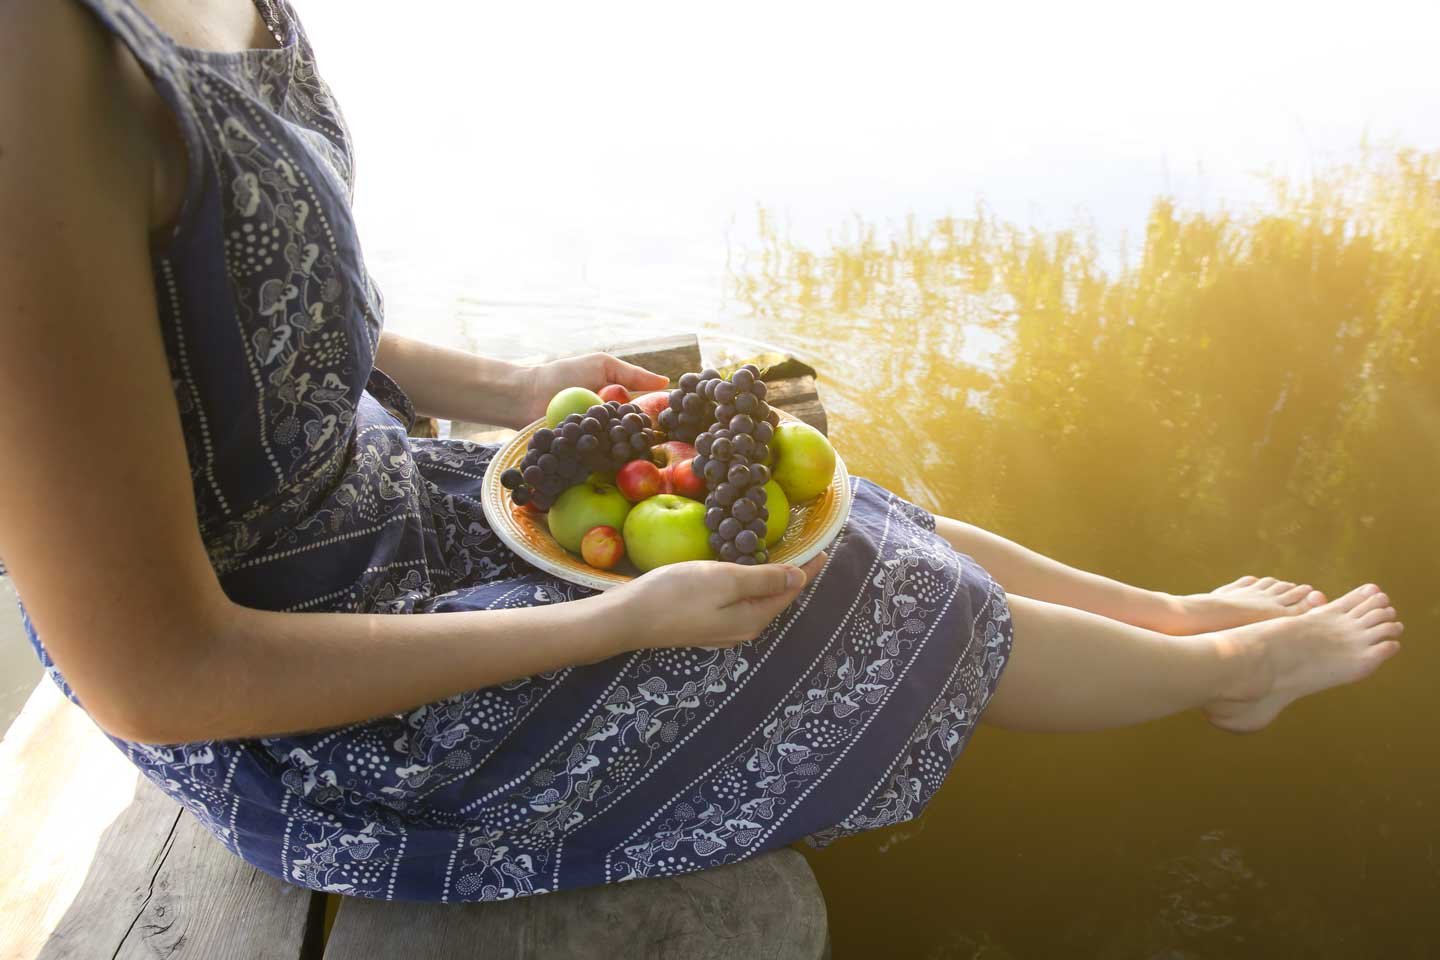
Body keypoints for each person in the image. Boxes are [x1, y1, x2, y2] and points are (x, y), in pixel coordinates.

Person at [0, 0, 1403, 901]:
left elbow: (257, 309)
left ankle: (1168, 621)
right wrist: (616, 625)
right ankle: (1237, 668)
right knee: (876, 596)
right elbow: (164, 673)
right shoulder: (28, 72)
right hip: (307, 703)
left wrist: (516, 379)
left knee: (826, 497)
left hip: (384, 508)